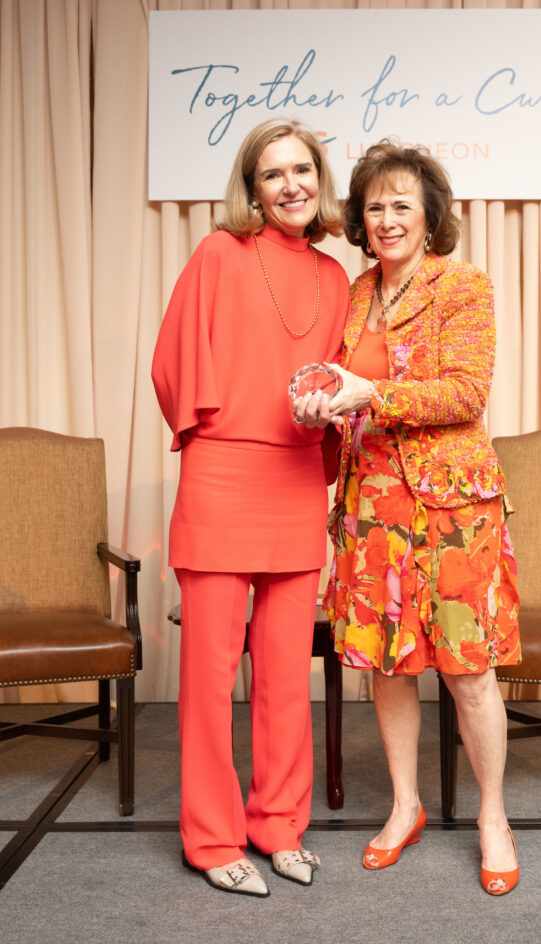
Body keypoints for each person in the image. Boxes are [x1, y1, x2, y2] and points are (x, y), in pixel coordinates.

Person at [293, 140, 522, 895]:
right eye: (374, 206)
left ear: (429, 217)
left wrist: (369, 396)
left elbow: (464, 394)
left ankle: (492, 816)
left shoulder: (463, 287)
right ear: (359, 219)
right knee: (385, 667)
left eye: (400, 205)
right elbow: (342, 386)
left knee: (468, 671)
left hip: (452, 509)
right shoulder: (353, 293)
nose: (385, 218)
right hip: (369, 508)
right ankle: (404, 805)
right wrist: (320, 404)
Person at [152, 118, 350, 896]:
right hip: (223, 476)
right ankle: (209, 837)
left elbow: (337, 385)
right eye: (273, 174)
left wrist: (332, 424)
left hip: (297, 481)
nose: (291, 184)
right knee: (207, 677)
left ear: (318, 180)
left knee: (281, 676)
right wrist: (210, 431)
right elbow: (173, 358)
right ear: (252, 187)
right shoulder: (218, 254)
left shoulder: (336, 279)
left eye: (302, 169)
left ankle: (278, 825)